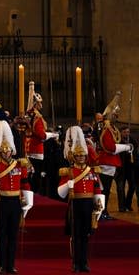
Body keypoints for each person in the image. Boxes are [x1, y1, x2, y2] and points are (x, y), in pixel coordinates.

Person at [0, 120, 33, 274]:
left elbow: (25, 185)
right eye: (4, 151)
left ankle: (11, 265)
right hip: (1, 202)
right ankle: (1, 264)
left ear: (12, 150)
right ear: (1, 151)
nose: (6, 153)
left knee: (13, 235)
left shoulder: (19, 165)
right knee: (2, 235)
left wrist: (27, 203)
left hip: (15, 203)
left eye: (8, 150)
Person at [57, 126, 104, 273]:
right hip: (75, 205)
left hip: (88, 205)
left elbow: (97, 188)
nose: (81, 158)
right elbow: (60, 193)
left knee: (85, 236)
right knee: (76, 236)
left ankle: (84, 262)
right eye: (78, 156)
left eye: (83, 156)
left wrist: (98, 204)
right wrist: (68, 185)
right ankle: (75, 263)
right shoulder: (69, 172)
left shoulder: (92, 171)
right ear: (74, 157)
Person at [96, 91, 132, 220]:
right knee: (104, 190)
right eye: (115, 114)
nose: (116, 116)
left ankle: (103, 211)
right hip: (106, 162)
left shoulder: (111, 128)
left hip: (110, 163)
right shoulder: (106, 130)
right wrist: (126, 147)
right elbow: (111, 148)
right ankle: (102, 211)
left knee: (105, 189)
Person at [25, 81, 59, 194]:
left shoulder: (28, 114)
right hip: (36, 149)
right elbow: (42, 136)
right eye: (40, 103)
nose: (41, 106)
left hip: (28, 147)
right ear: (35, 104)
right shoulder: (37, 117)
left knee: (29, 174)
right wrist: (54, 134)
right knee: (37, 176)